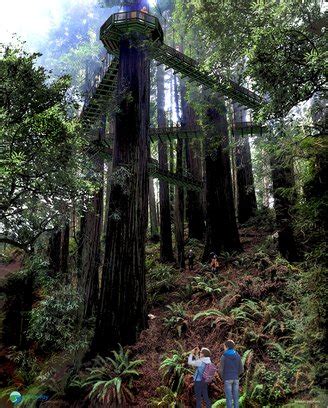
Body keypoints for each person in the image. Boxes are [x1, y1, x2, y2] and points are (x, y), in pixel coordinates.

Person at [219, 340, 244, 408]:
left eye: (224, 346)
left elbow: (220, 370)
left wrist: (223, 377)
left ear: (227, 347)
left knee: (229, 399)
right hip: (236, 379)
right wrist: (236, 374)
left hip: (227, 379)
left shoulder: (223, 356)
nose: (224, 348)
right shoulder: (238, 355)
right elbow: (242, 369)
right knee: (236, 398)